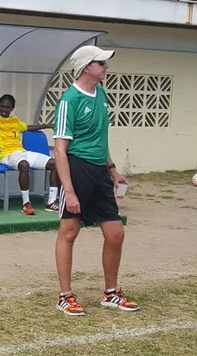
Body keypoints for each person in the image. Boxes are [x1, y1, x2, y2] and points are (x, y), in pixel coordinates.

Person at [53, 45, 139, 317]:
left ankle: (111, 293)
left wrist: (112, 170)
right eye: (101, 62)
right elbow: (60, 151)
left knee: (116, 234)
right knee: (69, 233)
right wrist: (69, 191)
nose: (106, 67)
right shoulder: (68, 101)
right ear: (86, 67)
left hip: (100, 172)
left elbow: (101, 137)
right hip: (77, 170)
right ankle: (65, 297)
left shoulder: (101, 94)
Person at [0, 94, 57, 216]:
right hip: (7, 156)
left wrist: (45, 125)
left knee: (55, 164)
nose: (4, 110)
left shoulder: (15, 120)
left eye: (7, 107)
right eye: (2, 106)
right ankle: (26, 203)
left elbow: (27, 127)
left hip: (22, 152)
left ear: (12, 108)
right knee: (24, 165)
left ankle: (51, 202)